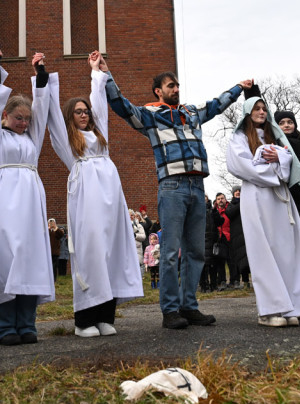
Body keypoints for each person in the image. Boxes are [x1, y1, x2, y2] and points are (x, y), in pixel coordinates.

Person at [105, 63, 248, 330]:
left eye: (178, 85)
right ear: (158, 91)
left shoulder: (191, 113)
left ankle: (188, 306)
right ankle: (170, 310)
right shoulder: (151, 114)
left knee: (195, 252)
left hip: (197, 187)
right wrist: (105, 76)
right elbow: (122, 106)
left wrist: (239, 88)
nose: (176, 89)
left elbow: (216, 105)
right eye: (171, 85)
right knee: (170, 251)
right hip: (172, 186)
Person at [46, 52, 144, 336]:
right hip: (86, 198)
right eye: (78, 111)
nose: (85, 113)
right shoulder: (69, 144)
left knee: (111, 251)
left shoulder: (101, 138)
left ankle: (105, 315)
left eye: (85, 110)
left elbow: (99, 102)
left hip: (111, 197)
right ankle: (84, 320)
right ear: (69, 116)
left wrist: (96, 73)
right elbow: (51, 119)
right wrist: (44, 81)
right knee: (91, 251)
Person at [226, 96, 300, 326]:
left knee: (287, 249)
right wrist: (270, 162)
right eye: (256, 108)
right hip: (256, 195)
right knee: (264, 250)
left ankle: (291, 305)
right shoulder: (239, 137)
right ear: (247, 112)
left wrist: (279, 157)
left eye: (264, 108)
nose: (261, 112)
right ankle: (270, 309)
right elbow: (240, 165)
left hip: (281, 198)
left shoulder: (275, 135)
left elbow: (291, 159)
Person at [0, 51, 53, 346]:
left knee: (28, 257)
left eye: (26, 119)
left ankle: (26, 322)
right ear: (5, 116)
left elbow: (44, 106)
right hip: (3, 198)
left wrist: (40, 71)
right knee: (3, 256)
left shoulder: (31, 140)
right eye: (18, 118)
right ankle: (2, 326)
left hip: (31, 201)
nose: (23, 123)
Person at [251, 91, 300, 266]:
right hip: (286, 201)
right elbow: (262, 116)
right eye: (282, 122)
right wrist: (252, 90)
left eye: (290, 122)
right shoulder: (274, 143)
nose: (286, 125)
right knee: (289, 248)